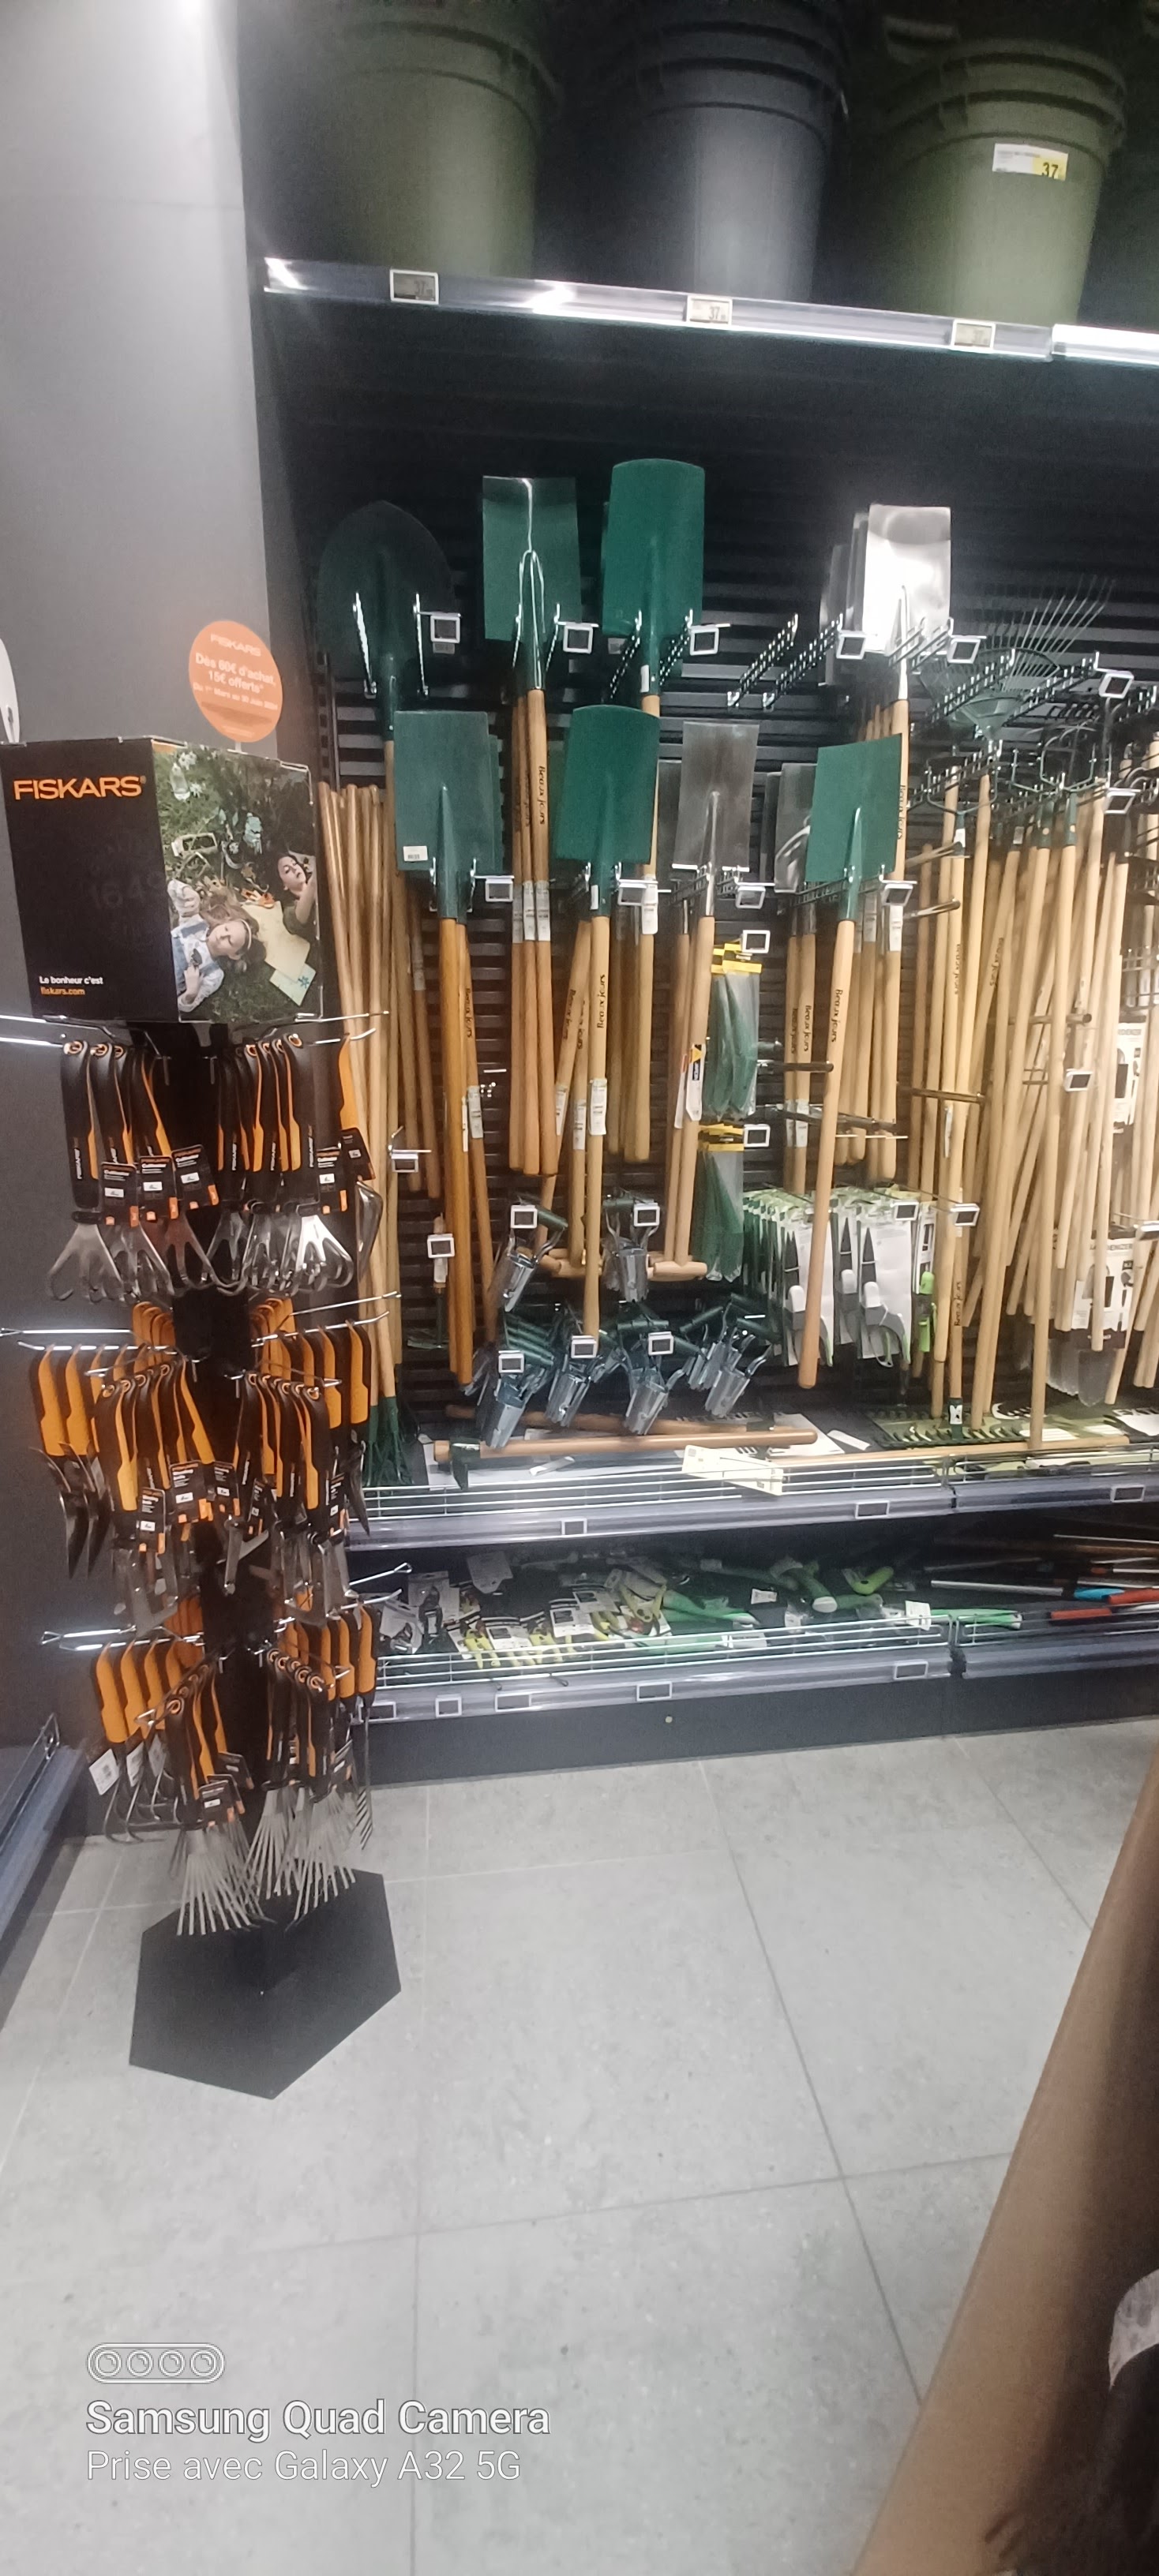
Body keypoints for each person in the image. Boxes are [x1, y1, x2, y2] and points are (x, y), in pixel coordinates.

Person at [277, 850, 317, 929]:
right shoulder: (288, 913)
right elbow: (298, 919)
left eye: (294, 864)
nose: (294, 869)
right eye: (287, 870)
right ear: (284, 885)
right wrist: (312, 884)